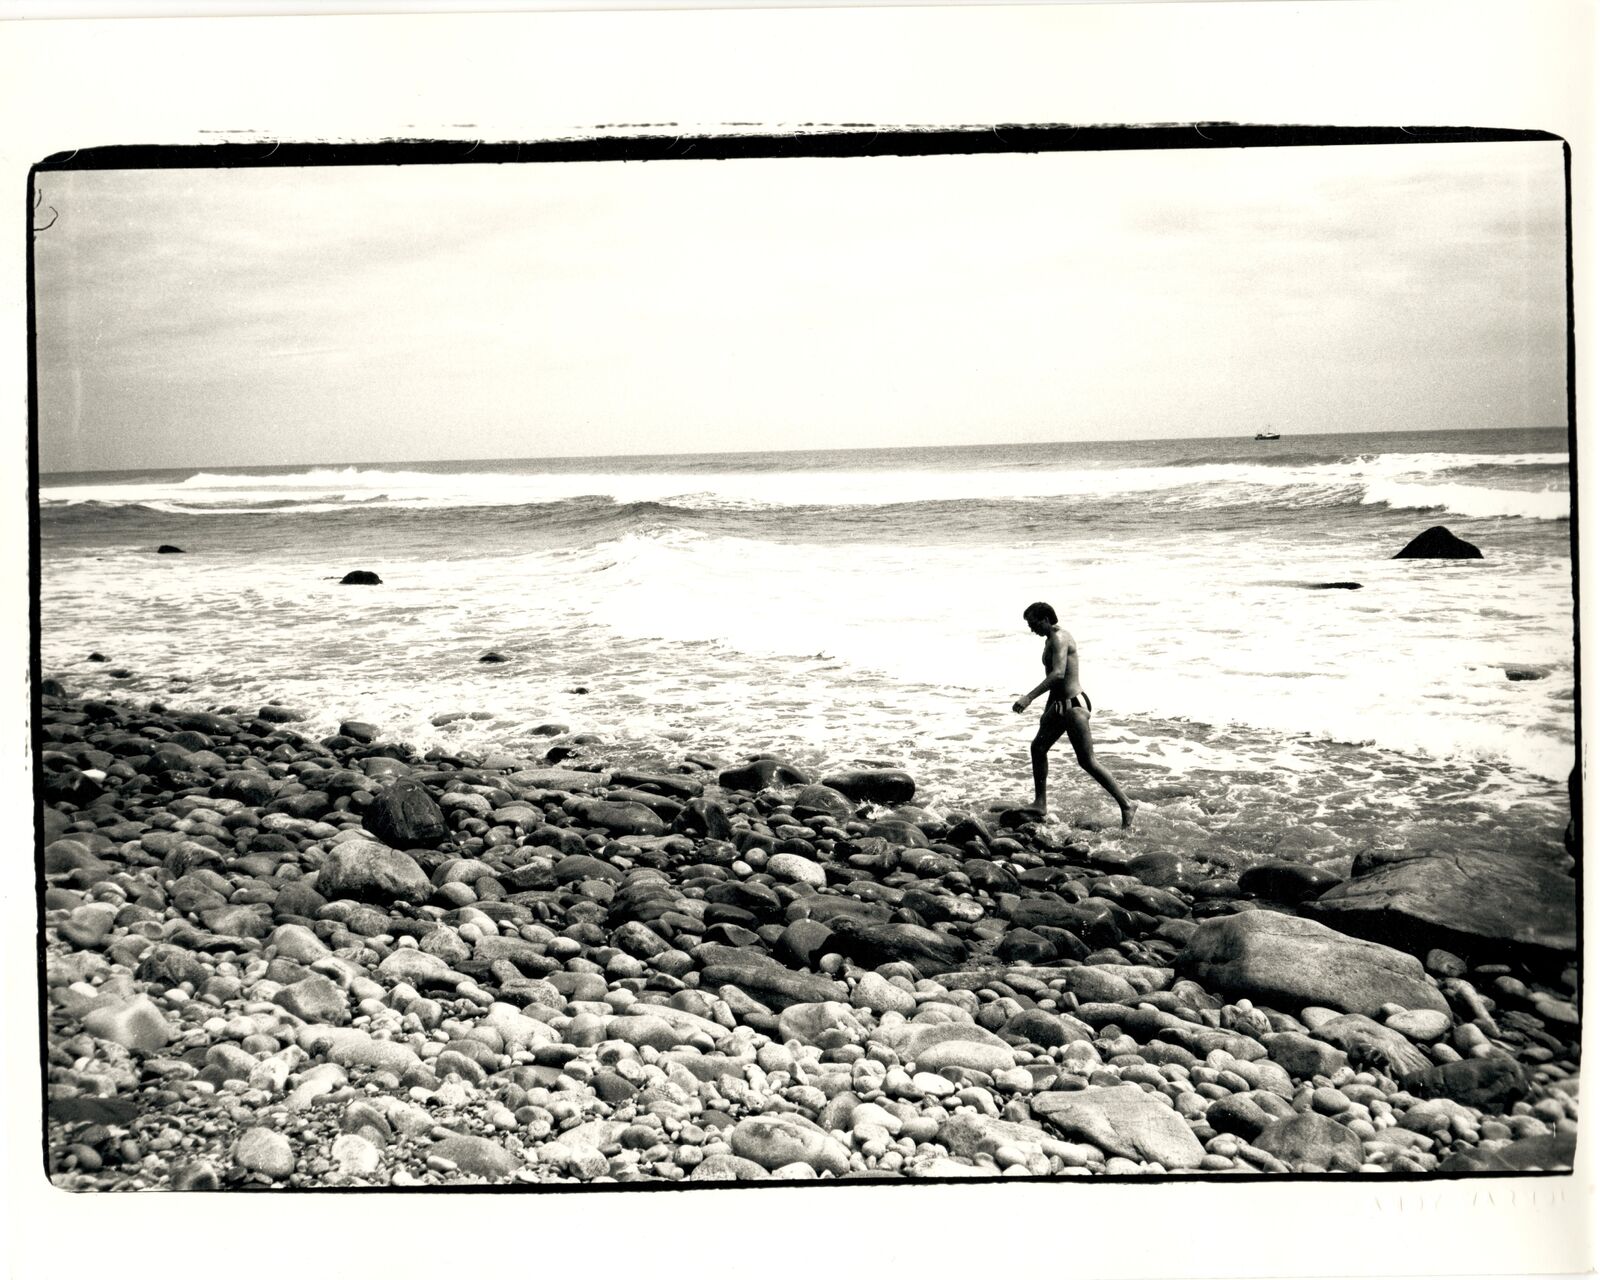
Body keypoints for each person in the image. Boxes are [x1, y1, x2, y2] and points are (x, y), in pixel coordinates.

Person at [1012, 600, 1136, 828]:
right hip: (1058, 705)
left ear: (1046, 619)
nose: (1031, 629)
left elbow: (1058, 674)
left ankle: (1127, 804)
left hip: (1074, 705)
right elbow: (1055, 678)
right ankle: (1040, 803)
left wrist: (1028, 697)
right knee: (1038, 748)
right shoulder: (1050, 639)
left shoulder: (1060, 638)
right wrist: (1047, 711)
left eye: (1033, 624)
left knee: (1087, 761)